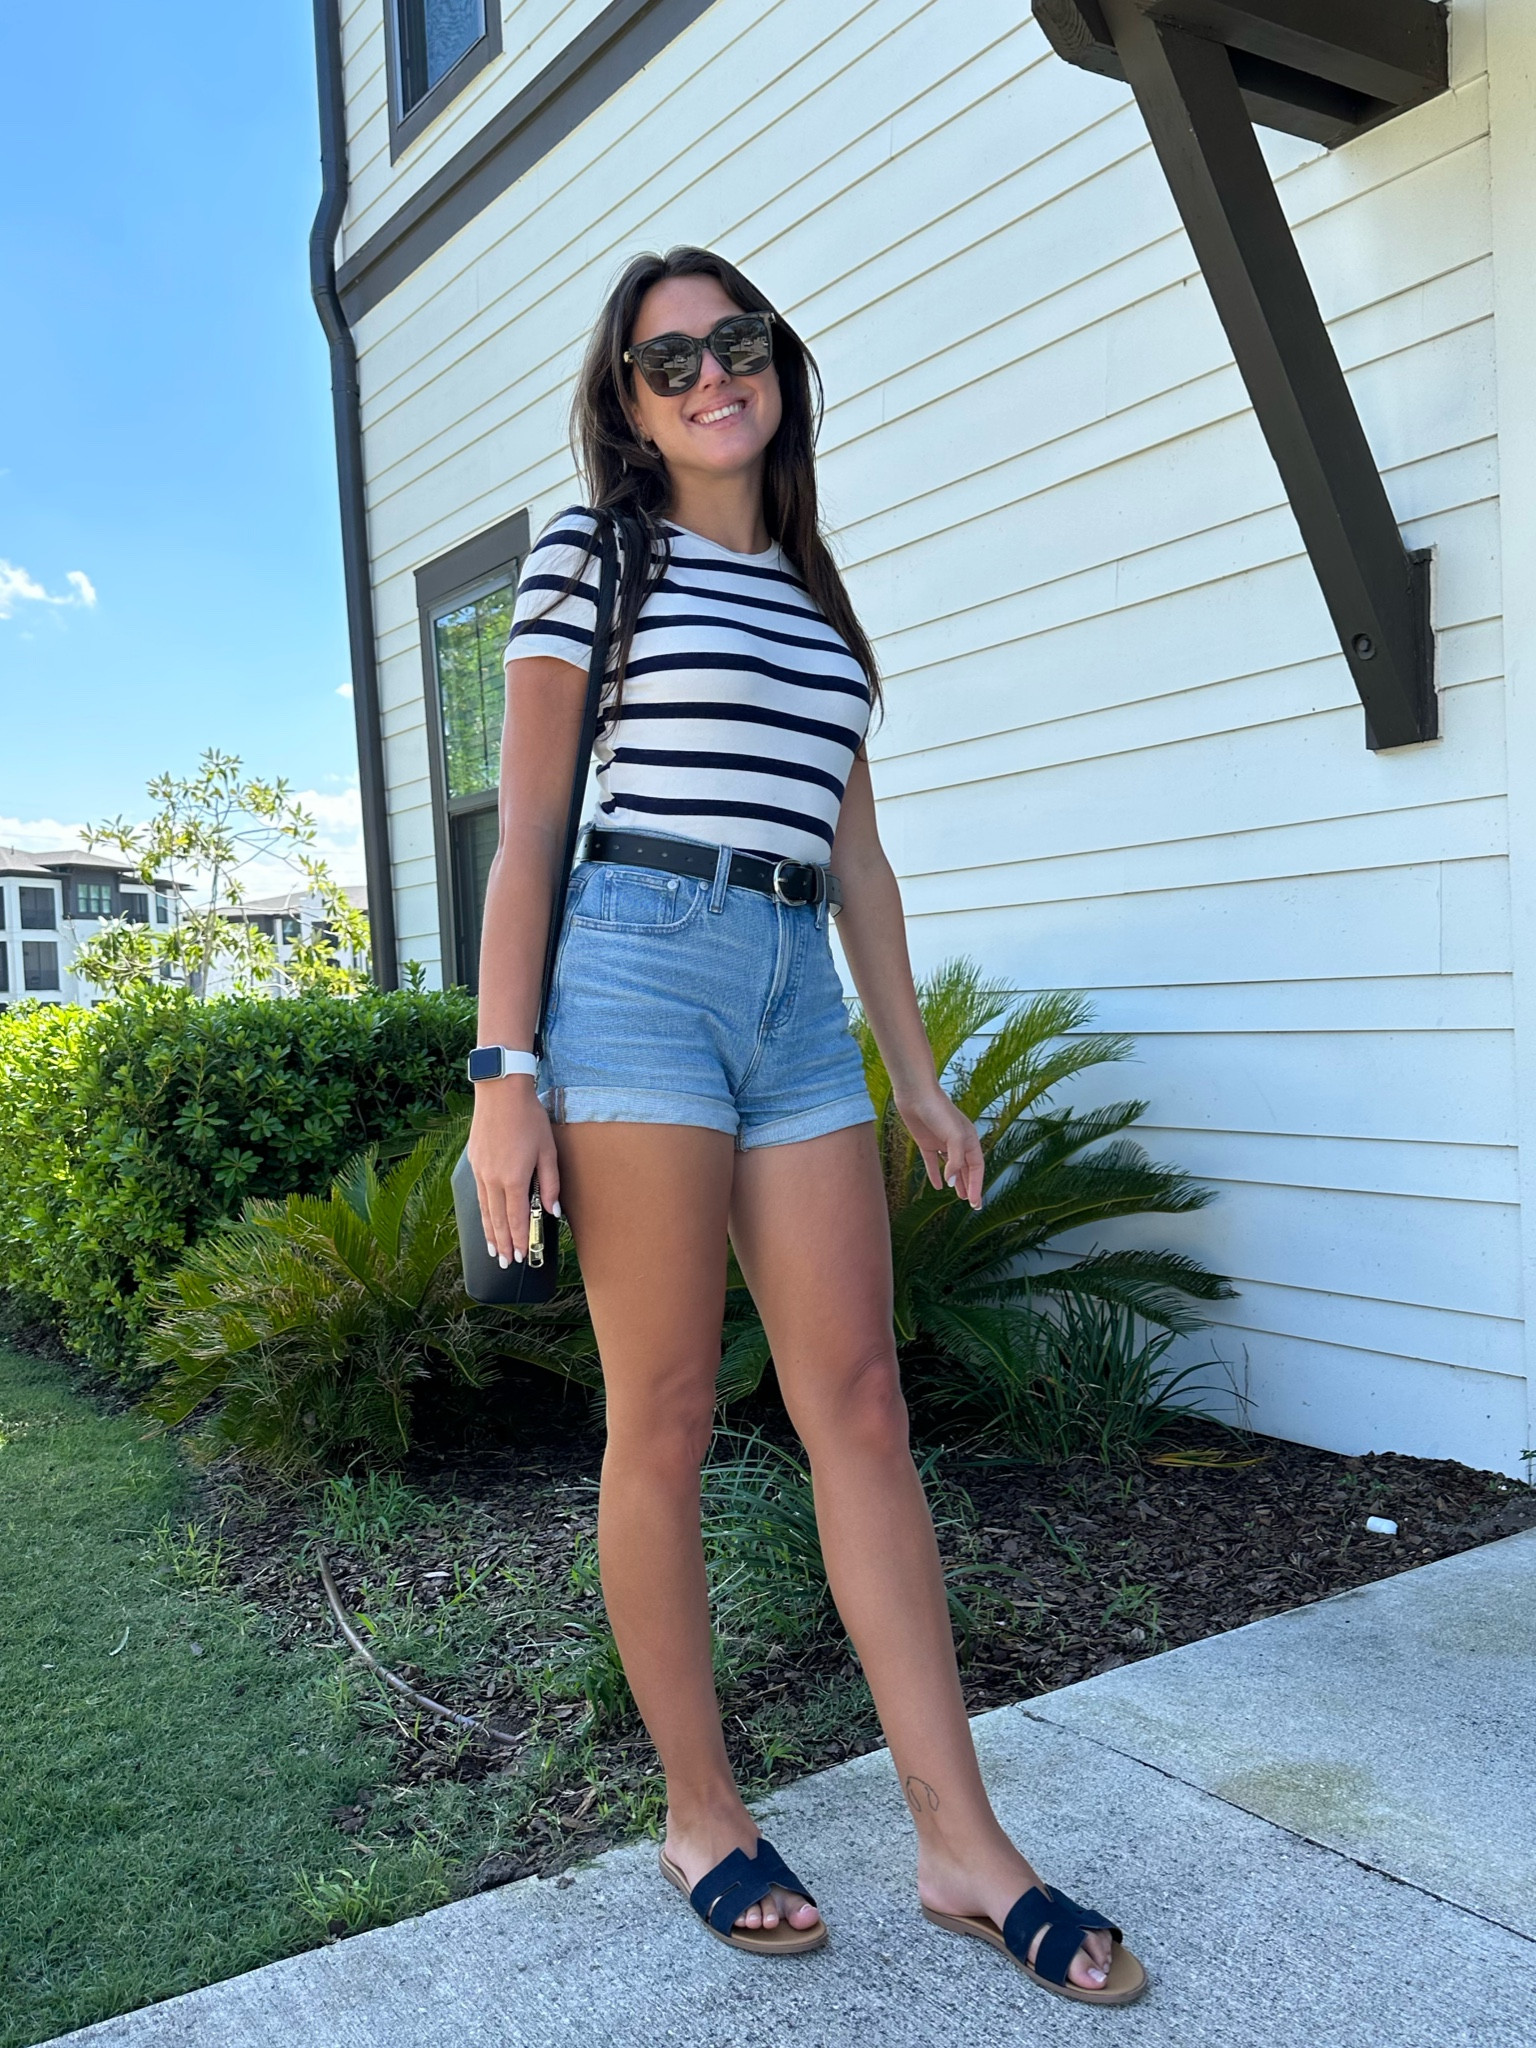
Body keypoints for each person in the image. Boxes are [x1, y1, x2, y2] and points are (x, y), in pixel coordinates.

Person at [465, 245, 1144, 2006]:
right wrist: (502, 1073)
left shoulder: (820, 604)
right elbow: (528, 831)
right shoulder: (589, 553)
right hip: (630, 972)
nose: (707, 375)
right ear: (625, 406)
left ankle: (958, 1842)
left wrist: (916, 1070)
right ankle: (702, 1815)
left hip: (790, 1003)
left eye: (732, 342)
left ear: (781, 363)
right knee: (668, 1413)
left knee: (860, 1400)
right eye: (663, 360)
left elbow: (855, 857)